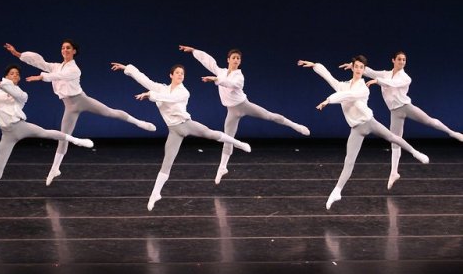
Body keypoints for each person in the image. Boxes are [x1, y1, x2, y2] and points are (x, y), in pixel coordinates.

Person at [4, 41, 156, 186]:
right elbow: (39, 62)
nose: (65, 50)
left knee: (110, 112)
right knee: (63, 137)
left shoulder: (74, 69)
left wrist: (42, 77)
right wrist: (17, 54)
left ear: (74, 51)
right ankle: (54, 169)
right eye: (63, 48)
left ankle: (138, 122)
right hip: (69, 107)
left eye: (68, 48)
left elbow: (59, 77)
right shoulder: (57, 66)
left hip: (81, 100)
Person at [110, 62, 251, 211]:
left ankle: (238, 143)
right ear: (171, 75)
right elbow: (144, 79)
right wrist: (127, 69)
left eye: (182, 74)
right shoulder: (161, 88)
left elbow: (169, 99)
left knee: (211, 134)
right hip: (174, 131)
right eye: (177, 73)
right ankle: (155, 194)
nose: (180, 75)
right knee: (167, 162)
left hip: (186, 124)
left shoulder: (184, 92)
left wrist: (150, 95)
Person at [298, 56, 429, 210]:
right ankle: (337, 191)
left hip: (369, 123)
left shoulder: (363, 88)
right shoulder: (344, 85)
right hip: (356, 128)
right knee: (349, 161)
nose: (359, 70)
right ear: (352, 68)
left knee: (393, 137)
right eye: (357, 67)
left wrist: (328, 100)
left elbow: (348, 96)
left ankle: (415, 152)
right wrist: (315, 65)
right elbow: (330, 79)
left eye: (362, 67)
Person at [0, 65, 94, 210]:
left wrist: (2, 84)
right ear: (6, 76)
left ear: (18, 78)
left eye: (17, 74)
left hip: (21, 127)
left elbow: (15, 94)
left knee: (46, 133)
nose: (15, 75)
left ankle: (77, 140)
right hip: (7, 133)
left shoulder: (22, 94)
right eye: (12, 73)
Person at [179, 45, 310, 184]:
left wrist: (216, 80)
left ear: (240, 62)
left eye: (238, 58)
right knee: (228, 138)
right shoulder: (221, 71)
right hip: (232, 111)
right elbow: (208, 61)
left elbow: (233, 85)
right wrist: (194, 51)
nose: (236, 60)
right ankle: (222, 167)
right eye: (234, 58)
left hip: (244, 105)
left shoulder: (239, 76)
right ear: (228, 59)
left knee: (270, 116)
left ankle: (296, 125)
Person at [340, 51, 463, 189]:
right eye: (399, 59)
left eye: (404, 60)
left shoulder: (406, 77)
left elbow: (393, 83)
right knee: (395, 141)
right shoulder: (386, 73)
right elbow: (370, 72)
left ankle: (452, 133)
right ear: (393, 60)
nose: (402, 62)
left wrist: (378, 81)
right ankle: (394, 172)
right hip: (395, 112)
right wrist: (353, 66)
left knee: (429, 121)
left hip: (406, 107)